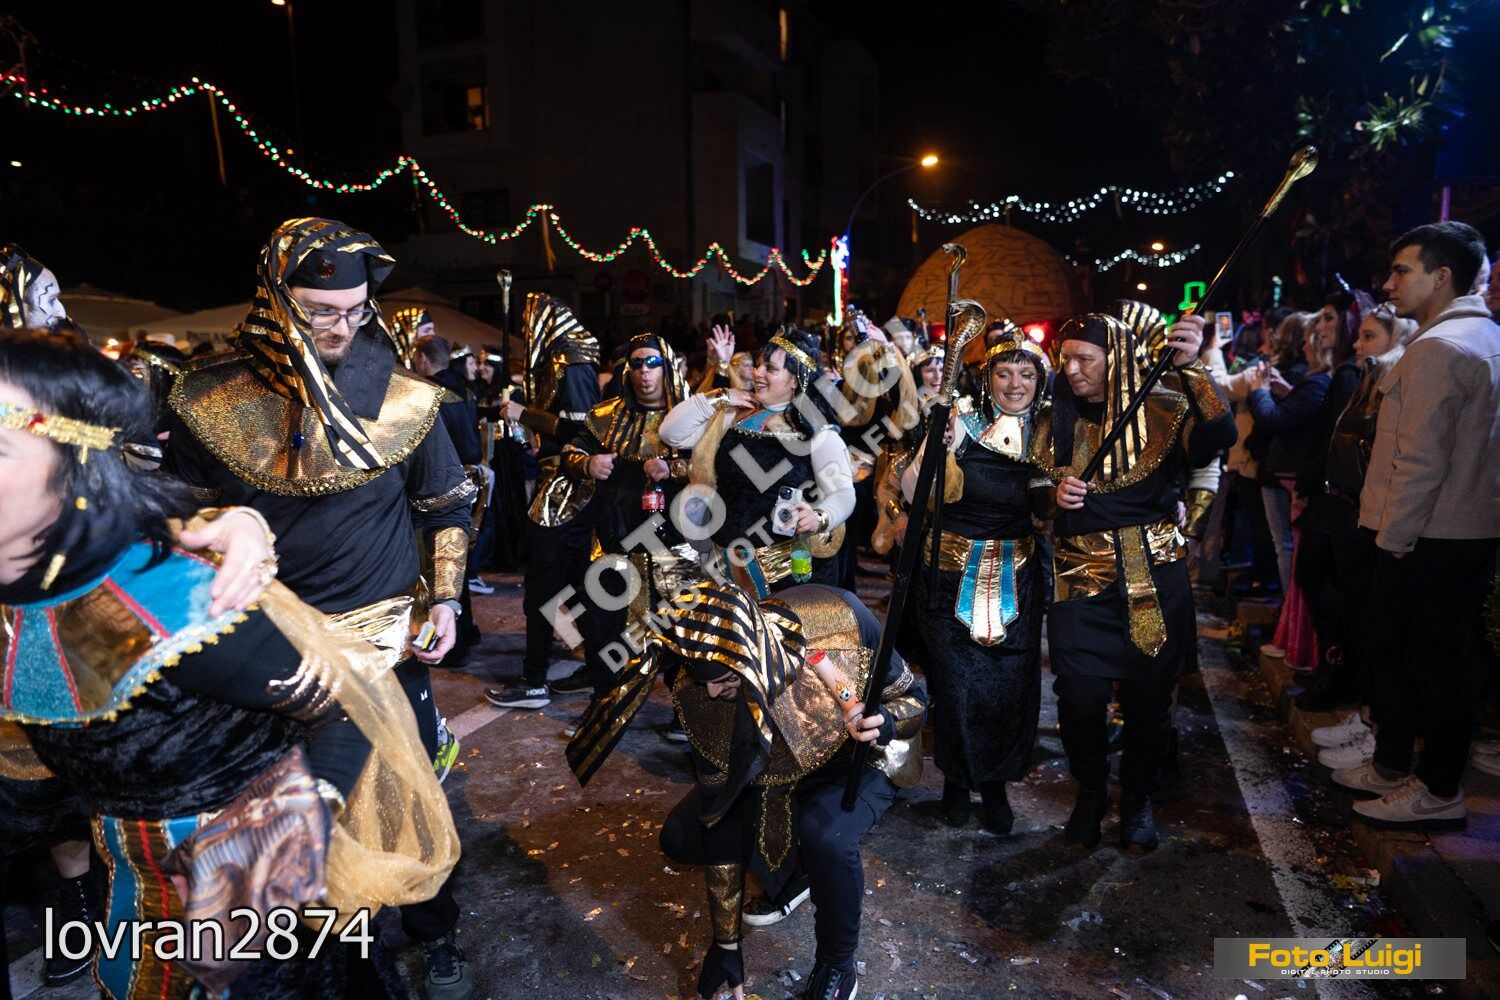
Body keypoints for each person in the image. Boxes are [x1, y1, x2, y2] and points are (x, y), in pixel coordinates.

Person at [0, 326, 458, 998]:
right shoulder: (27, 598)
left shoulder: (180, 605)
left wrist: (275, 846)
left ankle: (438, 936)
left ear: (73, 459)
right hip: (134, 915)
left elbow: (347, 709)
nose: (334, 326)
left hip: (258, 941)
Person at [163, 218, 477, 999]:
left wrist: (445, 599)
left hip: (384, 641)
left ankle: (435, 932)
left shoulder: (402, 396)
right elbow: (179, 522)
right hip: (270, 653)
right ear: (276, 300)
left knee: (410, 798)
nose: (341, 328)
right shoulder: (209, 399)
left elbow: (444, 505)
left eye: (355, 311)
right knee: (302, 815)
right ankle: (339, 960)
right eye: (320, 312)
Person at [566, 579, 926, 1000]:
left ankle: (837, 964)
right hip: (772, 764)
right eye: (704, 680)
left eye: (723, 678)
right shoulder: (701, 686)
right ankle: (798, 871)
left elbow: (914, 699)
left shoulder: (839, 618)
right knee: (680, 838)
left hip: (857, 760)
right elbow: (718, 810)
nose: (712, 691)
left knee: (826, 835)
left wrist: (886, 722)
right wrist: (726, 945)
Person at [1034, 306, 1235, 850]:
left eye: (1085, 359)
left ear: (1116, 359)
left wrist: (1193, 368)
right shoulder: (1052, 415)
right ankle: (1090, 793)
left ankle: (1138, 798)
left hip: (1154, 578)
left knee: (1149, 702)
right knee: (1079, 697)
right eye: (1065, 358)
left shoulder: (1165, 408)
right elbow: (1028, 488)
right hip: (1080, 578)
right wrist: (1051, 496)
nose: (1071, 369)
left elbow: (1221, 432)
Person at [1339, 222, 1500, 829]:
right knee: (1440, 662)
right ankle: (1400, 769)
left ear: (1443, 276)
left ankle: (1434, 788)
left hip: (1428, 534)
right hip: (1465, 529)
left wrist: (1392, 540)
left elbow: (1419, 459)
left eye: (1403, 270)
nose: (1389, 284)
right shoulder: (1485, 337)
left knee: (1426, 665)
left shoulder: (1440, 348)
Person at [903, 331, 1050, 834]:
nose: (1015, 384)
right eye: (1004, 373)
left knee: (1009, 690)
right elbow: (912, 492)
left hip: (1018, 582)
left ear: (1040, 382)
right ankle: (956, 781)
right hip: (948, 579)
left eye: (1026, 374)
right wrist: (935, 451)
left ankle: (995, 786)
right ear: (987, 379)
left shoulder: (1050, 433)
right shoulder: (960, 423)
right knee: (956, 688)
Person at [659, 326, 855, 598]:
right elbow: (670, 433)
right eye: (759, 365)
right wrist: (721, 396)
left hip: (784, 574)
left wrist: (819, 517)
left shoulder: (818, 432)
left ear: (795, 380)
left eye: (770, 369)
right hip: (724, 566)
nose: (758, 373)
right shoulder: (733, 415)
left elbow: (843, 494)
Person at [555, 332, 696, 696]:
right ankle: (606, 706)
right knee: (604, 635)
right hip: (613, 544)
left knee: (681, 636)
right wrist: (587, 464)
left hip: (674, 546)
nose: (644, 371)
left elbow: (713, 466)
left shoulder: (690, 416)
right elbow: (571, 451)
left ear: (667, 368)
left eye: (653, 363)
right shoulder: (605, 416)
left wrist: (674, 469)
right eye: (637, 363)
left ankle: (683, 715)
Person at [1301, 304, 1416, 725]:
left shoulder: (1386, 380)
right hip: (1337, 503)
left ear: (1396, 339)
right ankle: (1341, 679)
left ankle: (1352, 694)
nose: (1357, 344)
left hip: (1360, 510)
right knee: (1324, 587)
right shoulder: (1364, 376)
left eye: (1369, 336)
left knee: (1358, 607)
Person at [488, 293, 601, 711]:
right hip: (561, 485)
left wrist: (524, 414)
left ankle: (535, 680)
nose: (526, 329)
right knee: (571, 586)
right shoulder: (564, 360)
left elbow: (583, 427)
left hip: (565, 490)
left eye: (529, 320)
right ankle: (596, 664)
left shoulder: (572, 362)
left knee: (544, 587)